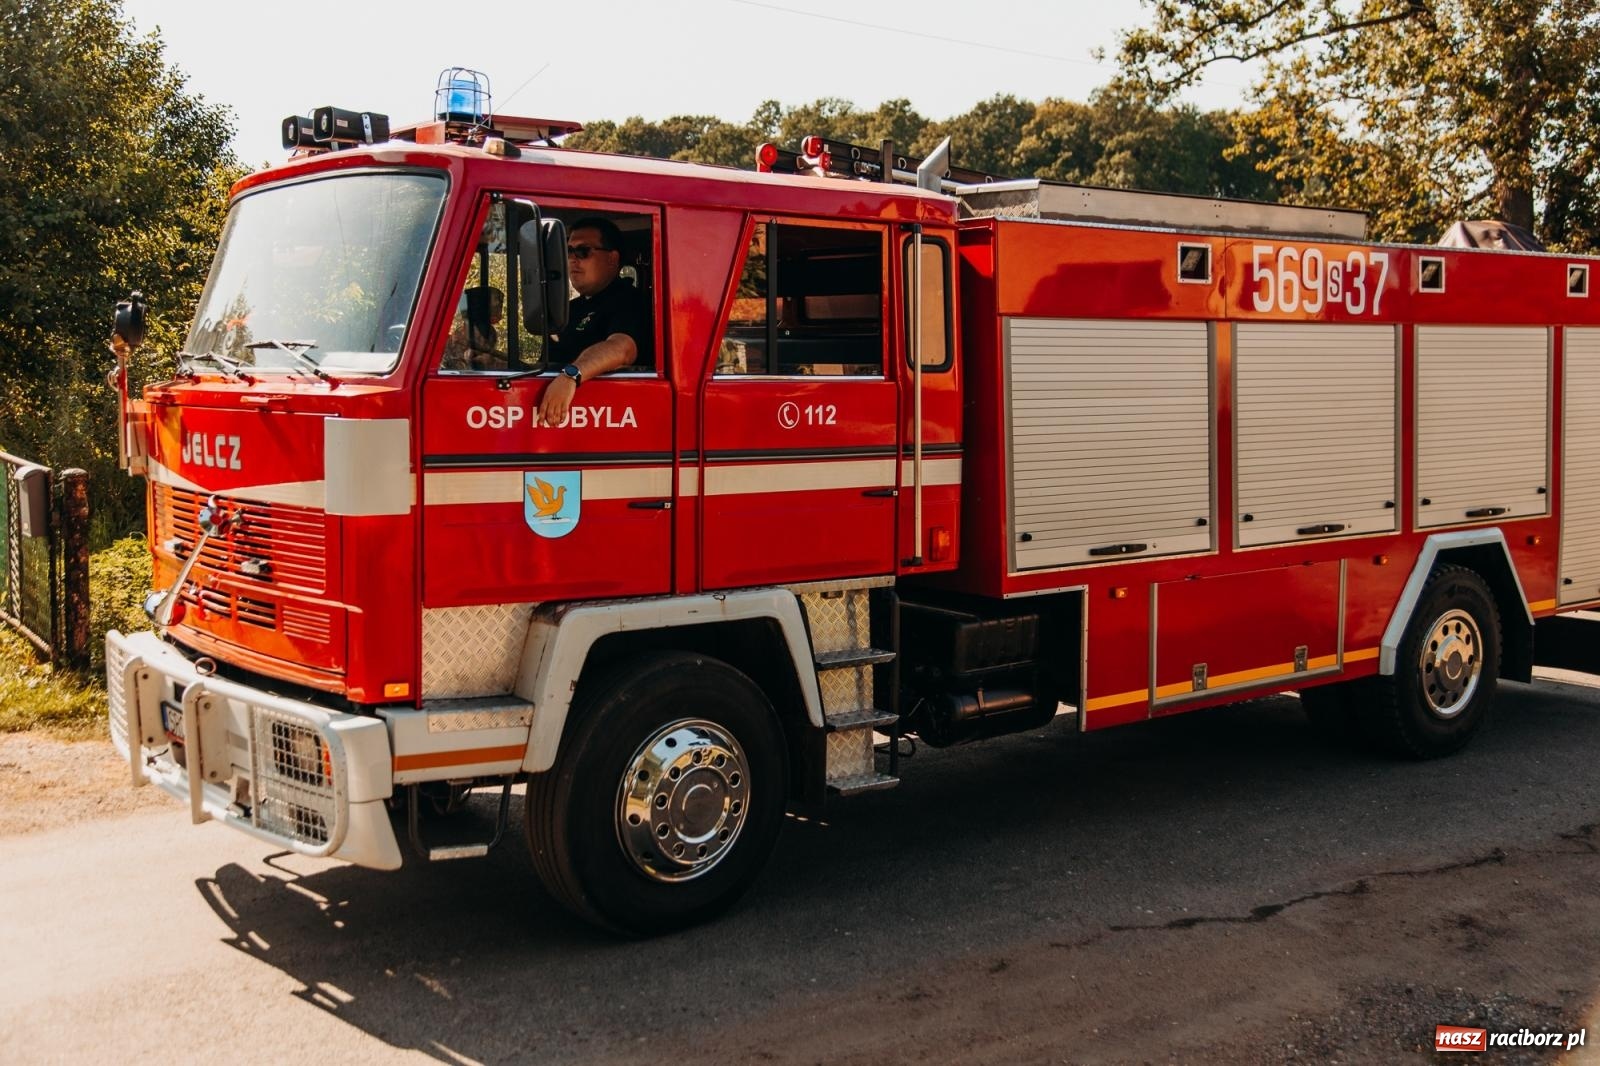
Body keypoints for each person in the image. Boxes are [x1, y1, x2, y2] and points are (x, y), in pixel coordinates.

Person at [539, 217, 651, 425]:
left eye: (583, 251)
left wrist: (570, 377)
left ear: (612, 258)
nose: (573, 259)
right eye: (569, 251)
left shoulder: (630, 302)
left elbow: (622, 348)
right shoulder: (570, 310)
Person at [441, 285, 504, 371]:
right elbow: (464, 375)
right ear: (481, 306)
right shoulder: (458, 343)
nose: (499, 305)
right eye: (496, 300)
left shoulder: (490, 333)